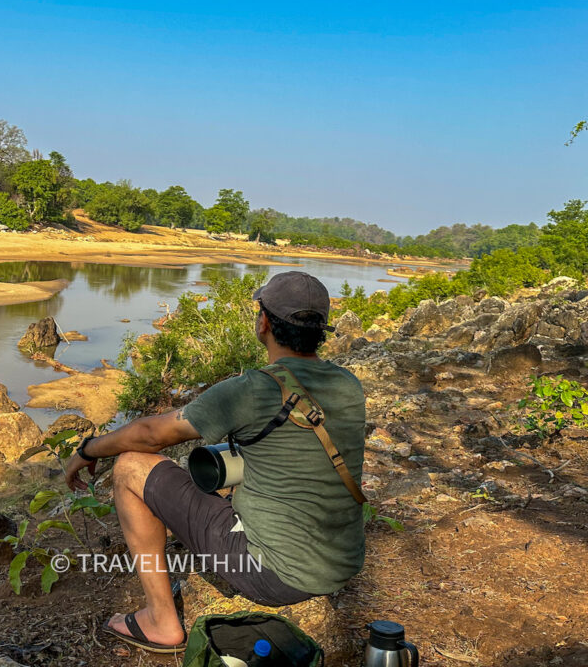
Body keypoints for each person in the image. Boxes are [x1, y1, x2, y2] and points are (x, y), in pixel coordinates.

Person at [64, 271, 366, 654]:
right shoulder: (349, 385)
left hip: (274, 576)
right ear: (322, 331)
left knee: (129, 467)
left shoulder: (252, 389)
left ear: (264, 323)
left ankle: (160, 621)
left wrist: (89, 449)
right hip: (341, 563)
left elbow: (150, 435)